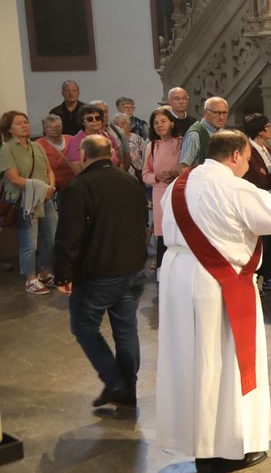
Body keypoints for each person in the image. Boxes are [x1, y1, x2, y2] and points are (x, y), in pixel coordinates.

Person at [156, 130, 271, 473]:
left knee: (189, 361)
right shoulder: (234, 187)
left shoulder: (180, 184)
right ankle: (229, 447)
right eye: (247, 160)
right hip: (217, 282)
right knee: (224, 362)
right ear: (238, 155)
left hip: (178, 276)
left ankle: (199, 444)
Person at [52, 134, 147, 409]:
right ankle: (128, 389)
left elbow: (68, 236)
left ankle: (115, 381)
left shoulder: (79, 187)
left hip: (97, 273)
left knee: (83, 326)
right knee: (126, 330)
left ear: (83, 154)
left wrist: (63, 274)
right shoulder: (130, 181)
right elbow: (142, 221)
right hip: (132, 268)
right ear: (112, 154)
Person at [2, 110, 57, 294]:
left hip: (45, 198)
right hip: (24, 201)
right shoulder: (7, 149)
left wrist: (51, 187)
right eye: (19, 123)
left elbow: (49, 169)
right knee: (30, 243)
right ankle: (30, 278)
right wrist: (41, 187)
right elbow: (14, 178)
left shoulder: (37, 146)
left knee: (52, 237)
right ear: (9, 129)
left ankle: (44, 272)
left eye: (25, 122)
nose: (24, 125)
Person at [243, 113, 271, 293]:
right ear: (260, 131)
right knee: (261, 243)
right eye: (267, 127)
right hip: (259, 201)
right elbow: (260, 180)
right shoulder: (251, 151)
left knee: (270, 242)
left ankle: (267, 278)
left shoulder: (266, 149)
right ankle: (256, 279)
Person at [143, 107, 184, 269]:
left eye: (163, 121)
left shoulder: (181, 143)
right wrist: (156, 177)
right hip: (159, 192)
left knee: (179, 231)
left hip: (178, 191)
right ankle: (162, 271)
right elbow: (145, 174)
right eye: (155, 123)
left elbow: (191, 166)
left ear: (172, 123)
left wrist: (176, 173)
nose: (159, 125)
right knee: (163, 234)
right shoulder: (152, 146)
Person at [65, 104, 120, 173]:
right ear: (82, 122)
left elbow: (119, 160)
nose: (94, 121)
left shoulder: (108, 137)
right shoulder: (75, 142)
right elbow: (77, 169)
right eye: (90, 119)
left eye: (97, 118)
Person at [179, 97, 229, 168]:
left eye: (225, 113)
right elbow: (183, 168)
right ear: (205, 112)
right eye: (217, 113)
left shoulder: (223, 132)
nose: (221, 117)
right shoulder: (194, 135)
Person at [36, 115, 74, 191]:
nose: (54, 129)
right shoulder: (38, 145)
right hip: (52, 187)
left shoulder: (71, 139)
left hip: (74, 184)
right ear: (44, 129)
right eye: (50, 127)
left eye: (57, 126)